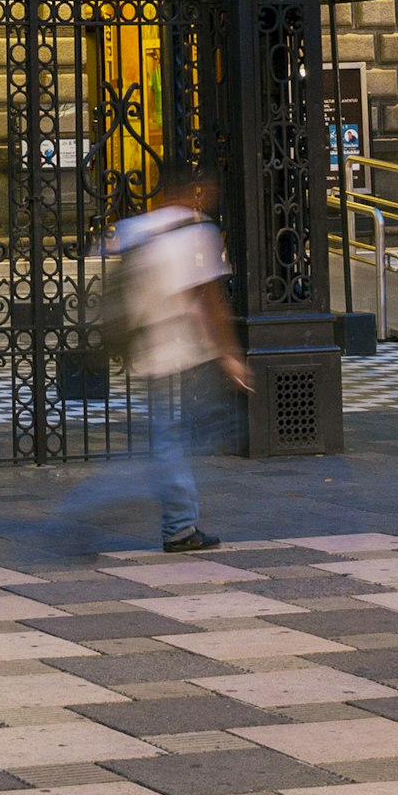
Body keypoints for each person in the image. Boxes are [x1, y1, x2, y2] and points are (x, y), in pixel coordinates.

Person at [110, 167, 249, 555]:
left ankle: (178, 520)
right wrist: (230, 356)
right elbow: (211, 299)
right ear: (196, 191)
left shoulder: (139, 227)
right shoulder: (194, 231)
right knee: (173, 441)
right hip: (179, 354)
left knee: (169, 437)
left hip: (147, 351)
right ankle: (174, 524)